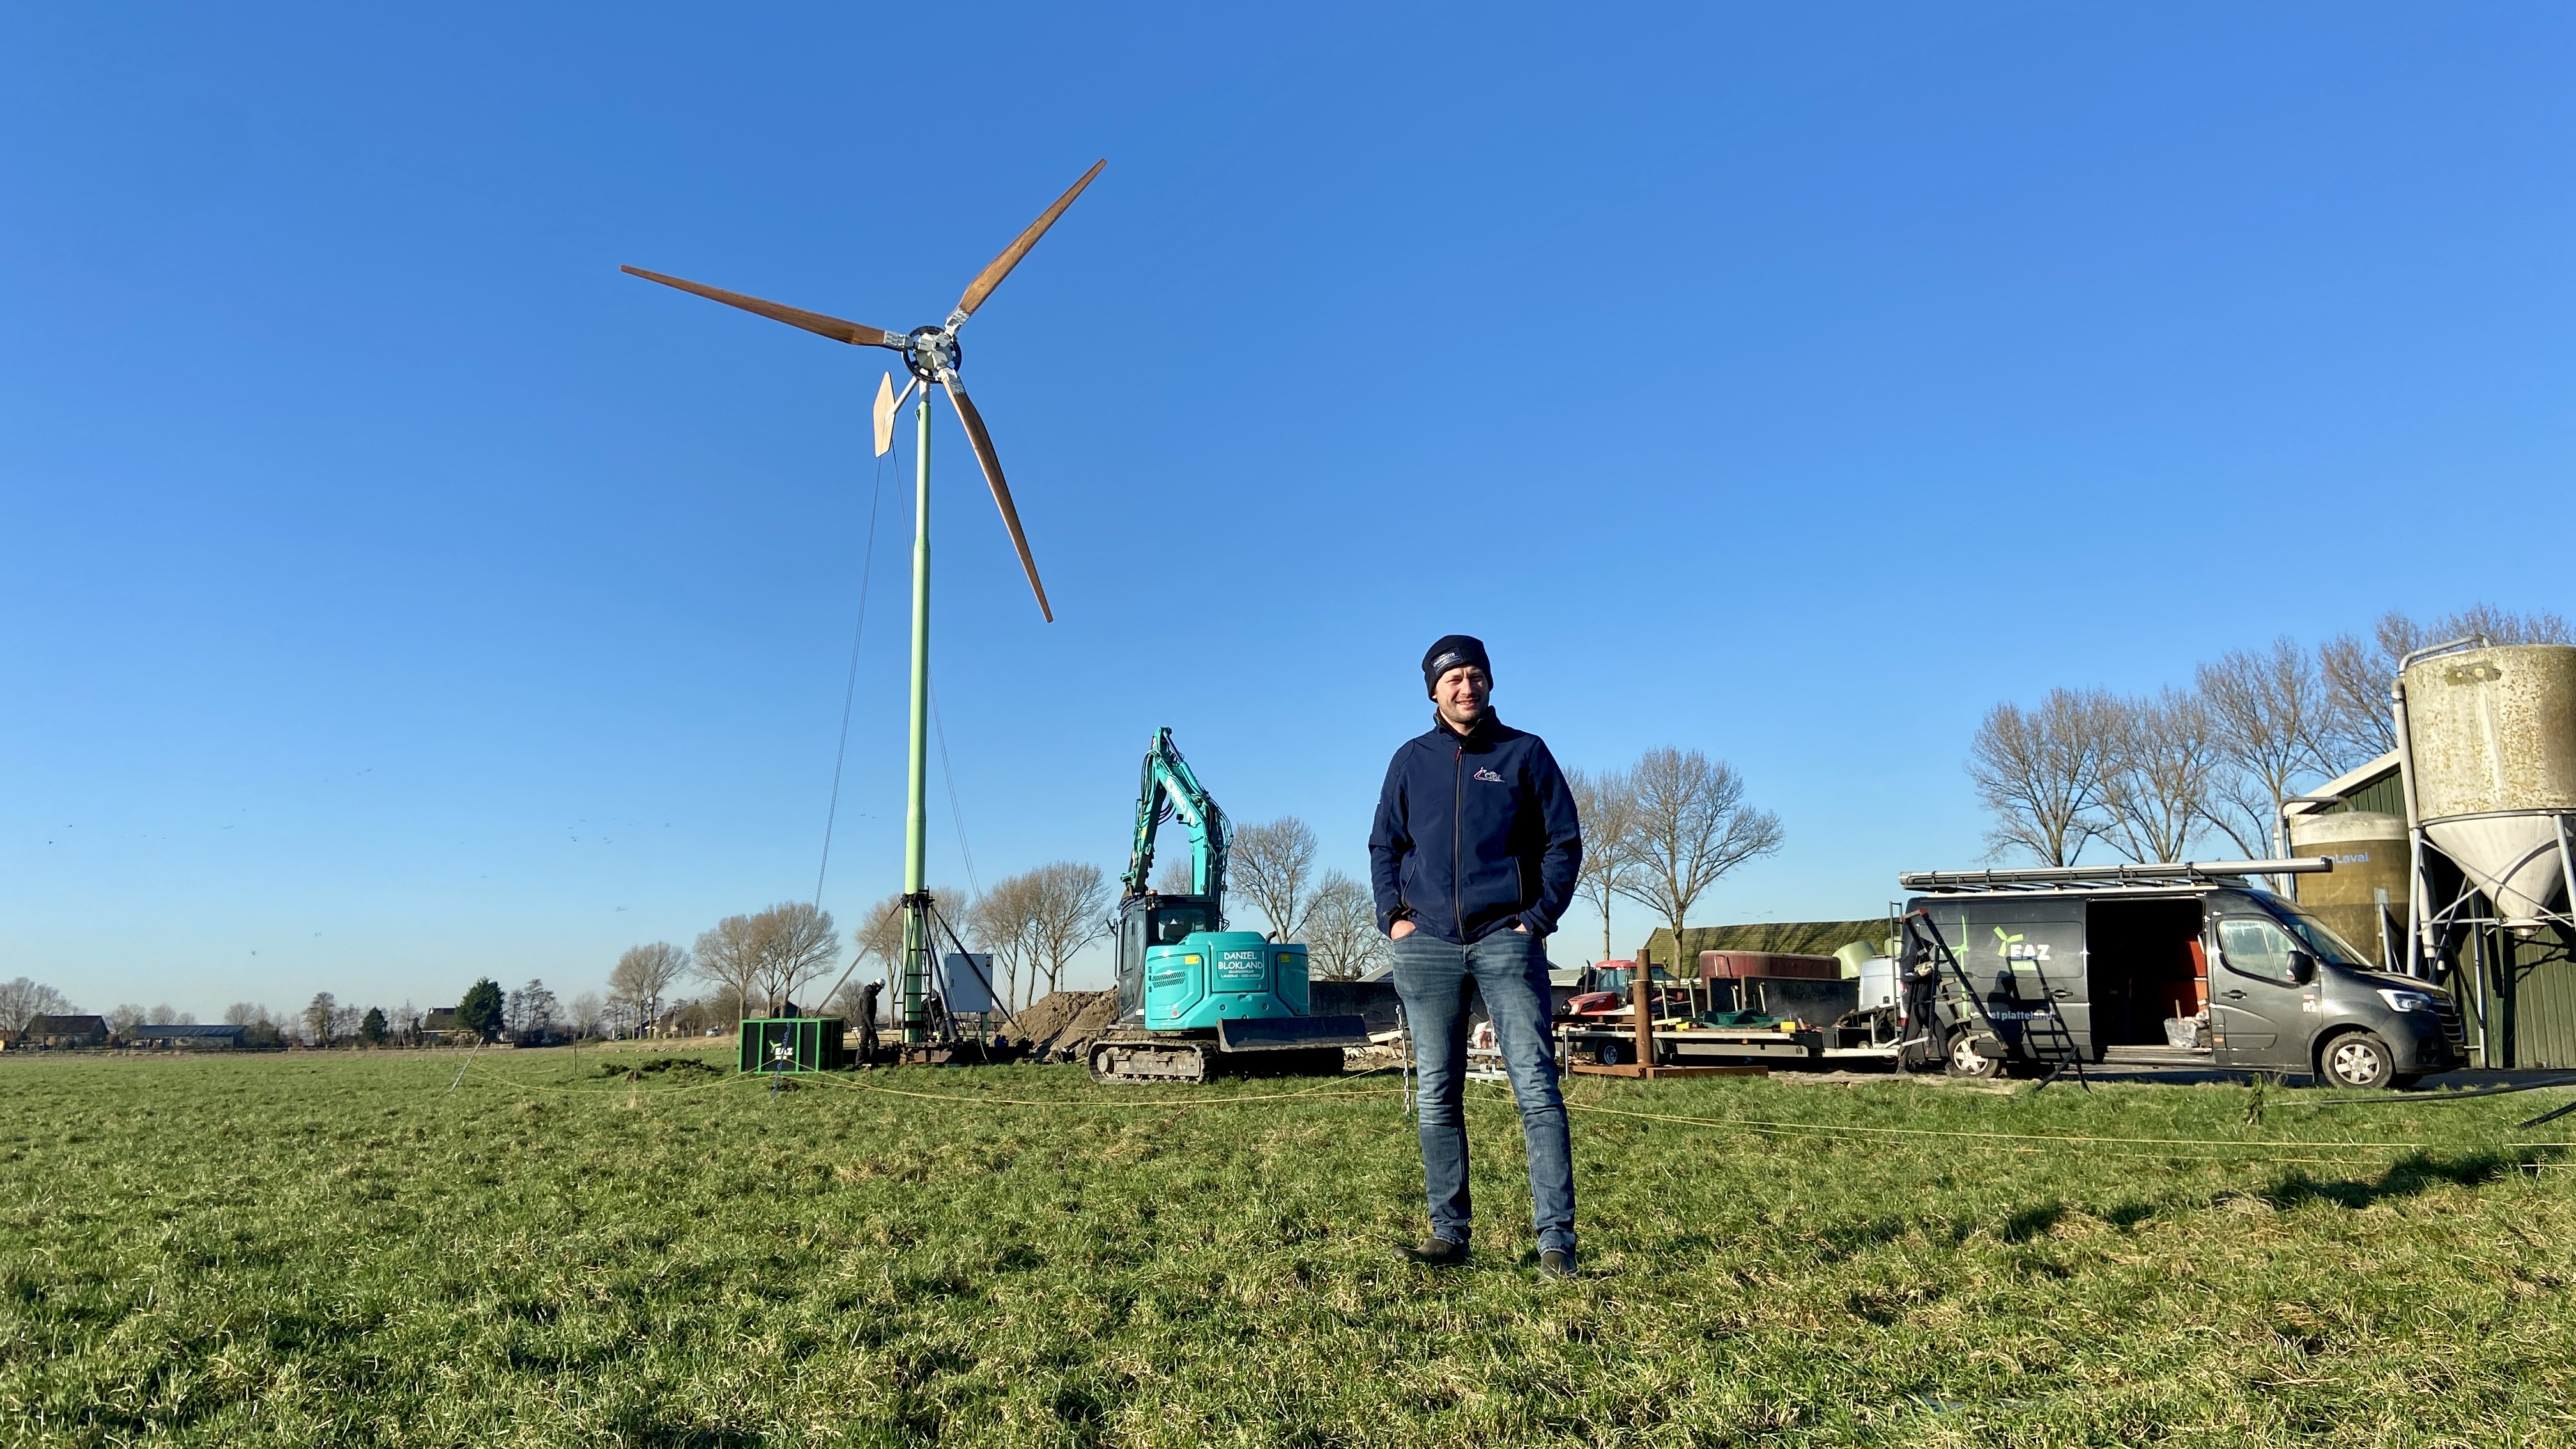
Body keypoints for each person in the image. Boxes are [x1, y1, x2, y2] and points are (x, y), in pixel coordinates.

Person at [1368, 634, 1583, 1276]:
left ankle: (1556, 1245)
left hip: (1504, 941)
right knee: (1437, 1093)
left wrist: (1536, 919)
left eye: (1476, 675)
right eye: (1453, 678)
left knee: (1537, 1090)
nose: (1467, 687)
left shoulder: (1524, 754)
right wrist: (1394, 919)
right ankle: (1450, 1235)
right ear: (1433, 690)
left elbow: (1563, 842)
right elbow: (1385, 844)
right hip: (1426, 946)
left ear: (1489, 683)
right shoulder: (1411, 761)